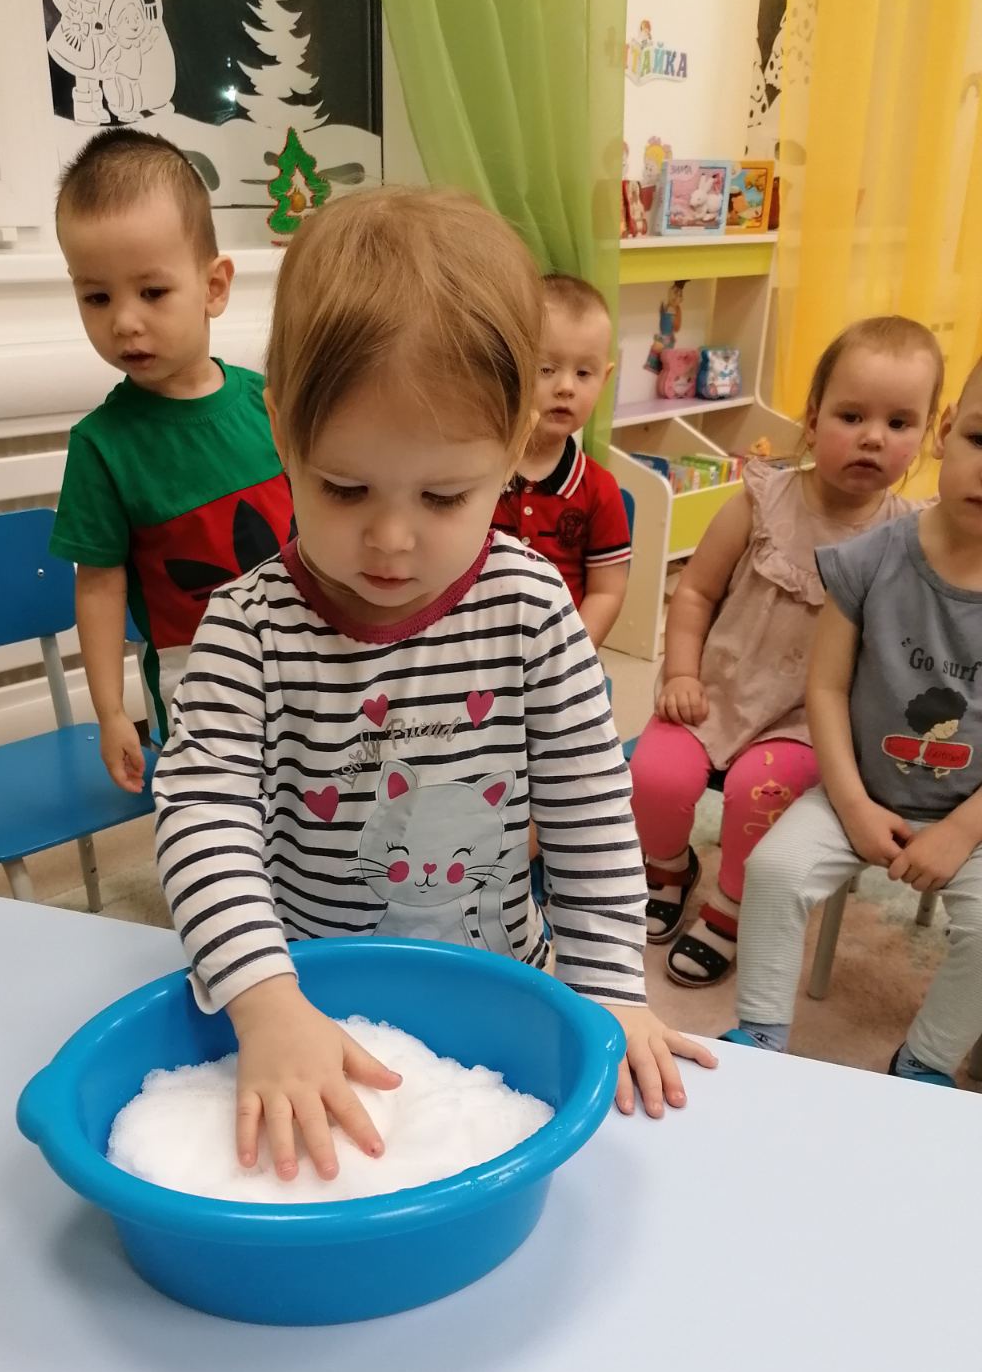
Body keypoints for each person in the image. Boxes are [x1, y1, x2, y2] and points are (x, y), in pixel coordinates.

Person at [152, 188, 715, 1183]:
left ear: (512, 446)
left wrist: (610, 988)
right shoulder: (246, 628)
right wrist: (264, 999)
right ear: (280, 428)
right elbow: (203, 818)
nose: (392, 539)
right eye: (345, 487)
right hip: (311, 1003)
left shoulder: (532, 605)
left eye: (445, 495)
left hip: (501, 994)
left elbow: (589, 812)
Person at [629, 316, 943, 988]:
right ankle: (669, 868)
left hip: (806, 721)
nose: (873, 437)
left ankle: (731, 907)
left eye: (898, 423)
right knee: (653, 775)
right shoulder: (761, 499)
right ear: (813, 417)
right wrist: (680, 671)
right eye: (852, 416)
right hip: (714, 692)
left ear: (926, 436)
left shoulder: (907, 535)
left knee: (759, 794)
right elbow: (695, 593)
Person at [726, 359, 982, 1086]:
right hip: (857, 793)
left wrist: (962, 831)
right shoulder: (868, 559)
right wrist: (853, 805)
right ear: (945, 433)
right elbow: (827, 688)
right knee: (774, 870)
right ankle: (760, 1037)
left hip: (973, 817)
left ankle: (924, 1063)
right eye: (981, 438)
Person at [50, 128, 293, 789]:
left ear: (214, 286)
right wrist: (111, 713)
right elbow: (99, 587)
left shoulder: (269, 403)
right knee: (218, 815)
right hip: (198, 680)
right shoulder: (101, 446)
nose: (124, 321)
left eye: (152, 292)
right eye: (97, 297)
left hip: (306, 653)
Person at [492, 274, 630, 649]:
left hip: (561, 654)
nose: (566, 387)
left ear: (605, 379)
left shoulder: (599, 489)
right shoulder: (480, 473)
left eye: (584, 373)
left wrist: (571, 657)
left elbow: (607, 592)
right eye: (546, 369)